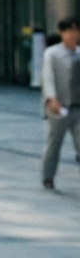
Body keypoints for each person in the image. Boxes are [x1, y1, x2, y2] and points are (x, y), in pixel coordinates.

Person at [41, 17, 80, 190]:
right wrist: (51, 99)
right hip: (58, 106)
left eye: (75, 30)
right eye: (68, 31)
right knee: (55, 143)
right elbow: (47, 78)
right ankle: (48, 177)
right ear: (61, 33)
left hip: (77, 107)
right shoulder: (52, 53)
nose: (72, 34)